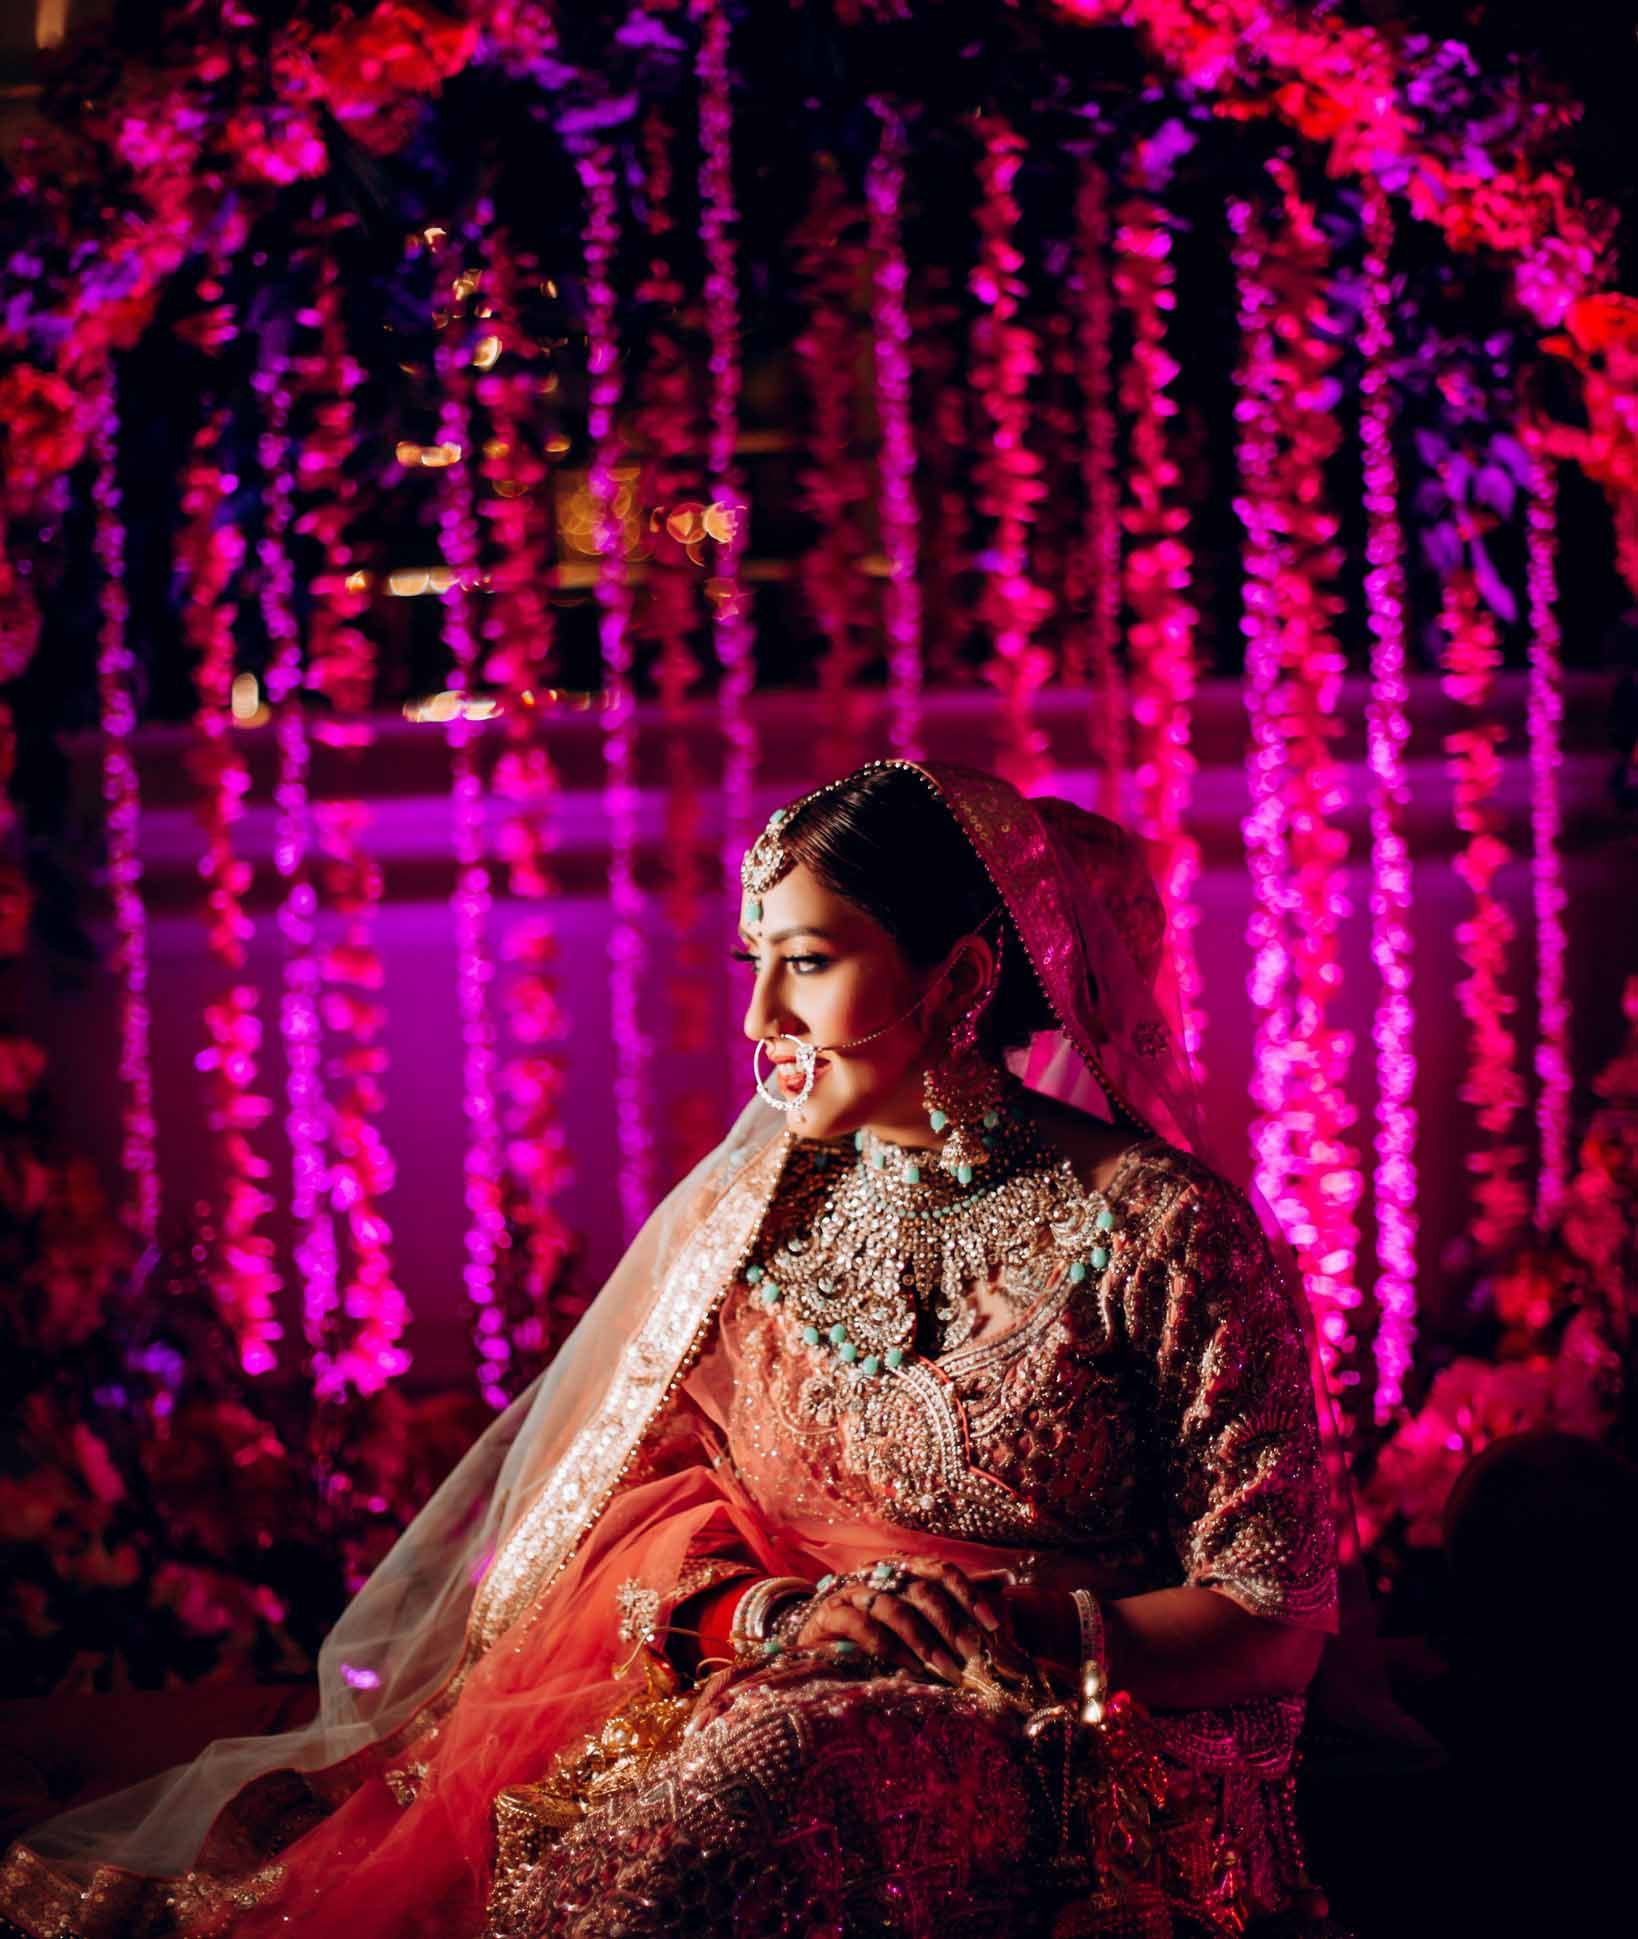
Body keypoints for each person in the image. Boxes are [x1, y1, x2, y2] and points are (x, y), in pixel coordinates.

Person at [0, 760, 1342, 1937]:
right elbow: (620, 1524)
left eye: (806, 961)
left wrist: (991, 1627)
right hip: (766, 1690)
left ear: (963, 978)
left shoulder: (1163, 1231)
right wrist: (783, 1615)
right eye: (754, 959)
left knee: (726, 1828)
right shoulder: (753, 1222)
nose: (760, 1014)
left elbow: (1269, 1620)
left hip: (1073, 1753)